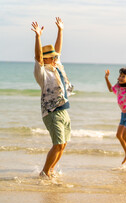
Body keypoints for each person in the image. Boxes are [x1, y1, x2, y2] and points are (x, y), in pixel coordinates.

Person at [31, 17, 73, 178]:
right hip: (51, 111)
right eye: (52, 57)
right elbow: (38, 57)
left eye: (55, 57)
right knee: (57, 144)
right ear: (45, 59)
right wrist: (37, 37)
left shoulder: (57, 67)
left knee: (63, 144)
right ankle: (44, 172)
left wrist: (60, 30)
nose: (55, 58)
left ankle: (51, 170)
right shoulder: (42, 73)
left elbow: (58, 49)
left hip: (63, 110)